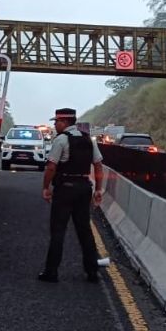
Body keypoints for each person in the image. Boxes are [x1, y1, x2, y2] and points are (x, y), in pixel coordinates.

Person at [38, 108, 106, 283]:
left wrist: (46, 187)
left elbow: (51, 166)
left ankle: (51, 272)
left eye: (57, 121)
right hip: (84, 188)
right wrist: (98, 189)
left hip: (65, 189)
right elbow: (98, 165)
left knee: (58, 230)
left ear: (65, 122)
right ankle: (92, 272)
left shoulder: (61, 140)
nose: (55, 124)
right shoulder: (88, 140)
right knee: (84, 230)